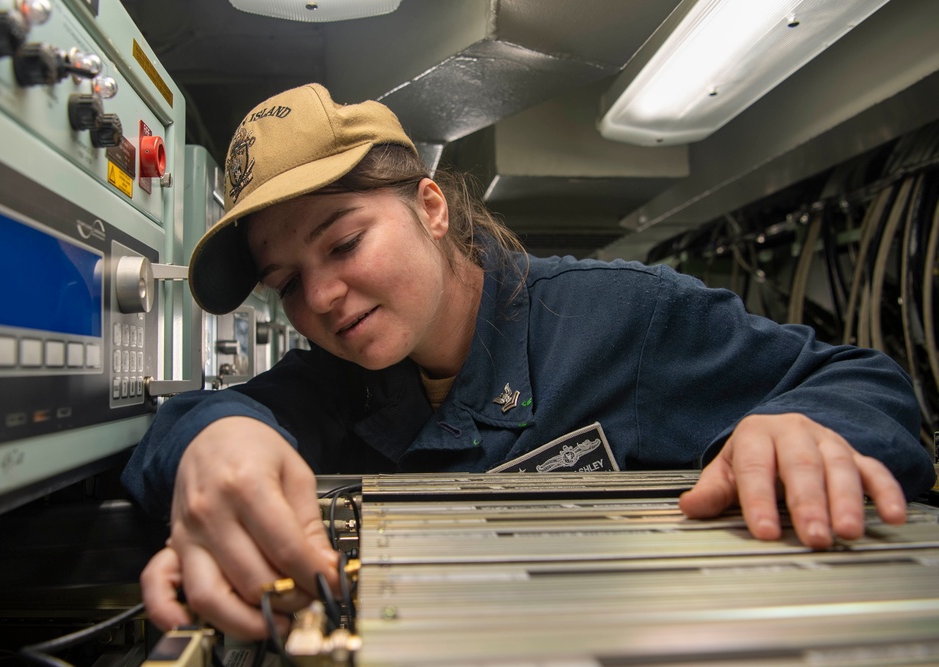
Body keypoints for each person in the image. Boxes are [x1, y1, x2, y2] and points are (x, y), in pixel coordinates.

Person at [121, 83, 937, 640]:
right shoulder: (337, 382)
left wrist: (799, 423)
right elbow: (197, 423)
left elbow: (862, 381)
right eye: (287, 282)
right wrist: (208, 443)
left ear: (431, 208)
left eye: (343, 242)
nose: (324, 297)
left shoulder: (623, 318)